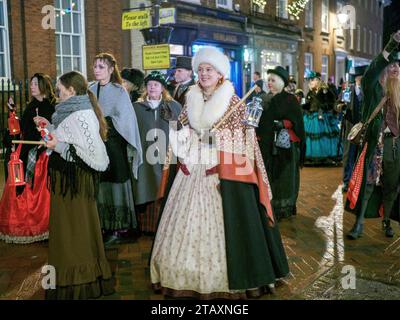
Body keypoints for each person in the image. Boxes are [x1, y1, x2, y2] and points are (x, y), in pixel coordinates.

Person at [150, 46, 289, 299]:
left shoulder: (233, 102)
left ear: (220, 74)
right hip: (192, 165)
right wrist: (182, 152)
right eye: (200, 69)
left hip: (222, 168)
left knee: (232, 220)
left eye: (209, 70)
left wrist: (219, 150)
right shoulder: (190, 97)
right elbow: (181, 127)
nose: (204, 74)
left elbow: (242, 138)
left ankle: (236, 276)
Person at [35, 71, 114, 299]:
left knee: (75, 232)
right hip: (67, 183)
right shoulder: (68, 112)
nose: (56, 94)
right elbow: (64, 139)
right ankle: (72, 278)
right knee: (69, 232)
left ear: (71, 90)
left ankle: (79, 281)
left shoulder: (81, 115)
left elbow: (84, 151)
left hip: (75, 185)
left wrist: (56, 144)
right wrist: (48, 126)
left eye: (59, 89)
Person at [346, 31, 400, 239]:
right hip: (374, 144)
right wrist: (391, 44)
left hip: (395, 147)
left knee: (391, 186)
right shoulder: (372, 87)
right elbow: (374, 68)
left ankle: (387, 220)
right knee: (368, 184)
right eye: (391, 65)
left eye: (397, 65)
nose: (394, 68)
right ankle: (358, 223)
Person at [90, 53, 143, 245]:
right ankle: (105, 224)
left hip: (113, 144)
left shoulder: (119, 91)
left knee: (117, 180)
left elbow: (127, 120)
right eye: (95, 66)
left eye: (101, 67)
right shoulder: (90, 89)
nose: (97, 70)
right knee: (101, 183)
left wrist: (106, 122)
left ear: (111, 70)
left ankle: (121, 227)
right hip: (95, 145)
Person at [0, 73, 55, 244]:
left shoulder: (48, 107)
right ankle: (21, 225)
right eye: (31, 84)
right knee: (18, 182)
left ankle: (37, 226)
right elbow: (22, 129)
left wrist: (42, 140)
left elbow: (50, 132)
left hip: (39, 153)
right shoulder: (32, 105)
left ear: (43, 86)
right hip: (26, 148)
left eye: (34, 84)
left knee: (34, 188)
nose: (31, 87)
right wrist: (12, 112)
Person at [132, 71, 181, 234]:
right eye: (149, 84)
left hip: (167, 154)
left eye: (156, 85)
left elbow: (180, 128)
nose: (152, 87)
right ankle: (147, 227)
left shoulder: (172, 106)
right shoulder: (137, 108)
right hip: (145, 155)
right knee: (146, 185)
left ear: (162, 88)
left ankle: (165, 224)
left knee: (164, 185)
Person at [256, 66, 306, 221]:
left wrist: (284, 123)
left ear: (282, 82)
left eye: (273, 80)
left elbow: (297, 122)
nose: (269, 83)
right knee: (268, 176)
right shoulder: (264, 99)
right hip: (266, 145)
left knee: (283, 178)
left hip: (284, 149)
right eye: (268, 80)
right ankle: (268, 204)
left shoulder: (290, 100)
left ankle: (283, 208)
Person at [302, 71, 341, 164]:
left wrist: (324, 106)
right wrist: (303, 107)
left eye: (312, 80)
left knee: (325, 136)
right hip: (312, 117)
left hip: (324, 117)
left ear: (318, 80)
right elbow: (308, 104)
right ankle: (310, 157)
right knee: (311, 137)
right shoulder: (310, 93)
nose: (310, 82)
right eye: (310, 80)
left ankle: (326, 156)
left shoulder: (325, 91)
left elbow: (332, 103)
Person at [339, 65, 368, 192]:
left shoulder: (368, 90)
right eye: (359, 77)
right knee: (348, 156)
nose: (361, 80)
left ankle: (358, 182)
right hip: (350, 128)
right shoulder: (348, 90)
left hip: (364, 128)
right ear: (356, 78)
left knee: (361, 156)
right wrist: (341, 107)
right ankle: (346, 181)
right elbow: (337, 104)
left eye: (362, 77)